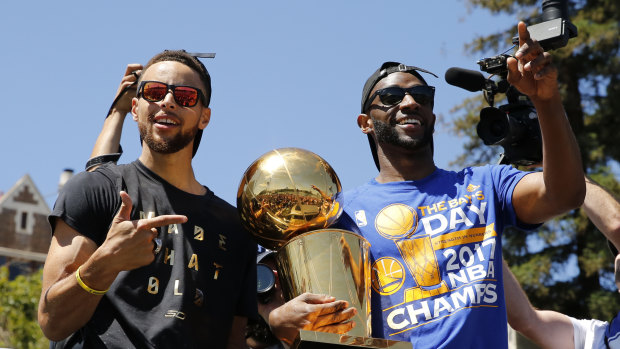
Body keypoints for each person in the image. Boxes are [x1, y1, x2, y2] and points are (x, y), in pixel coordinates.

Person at [309, 21, 584, 348]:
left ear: (432, 118)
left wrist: (547, 100)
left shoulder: (485, 184)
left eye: (422, 96)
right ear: (365, 123)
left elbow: (565, 195)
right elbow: (323, 325)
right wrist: (276, 320)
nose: (410, 103)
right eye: (392, 96)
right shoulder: (341, 215)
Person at [38, 50, 258, 348]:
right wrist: (105, 264)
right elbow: (52, 322)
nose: (167, 101)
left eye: (186, 96)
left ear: (205, 117)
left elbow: (234, 340)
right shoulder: (94, 189)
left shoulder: (236, 228)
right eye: (154, 92)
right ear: (135, 107)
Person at [505, 178, 620, 349]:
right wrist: (480, 243)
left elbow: (616, 225)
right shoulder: (595, 337)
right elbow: (526, 320)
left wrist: (571, 174)